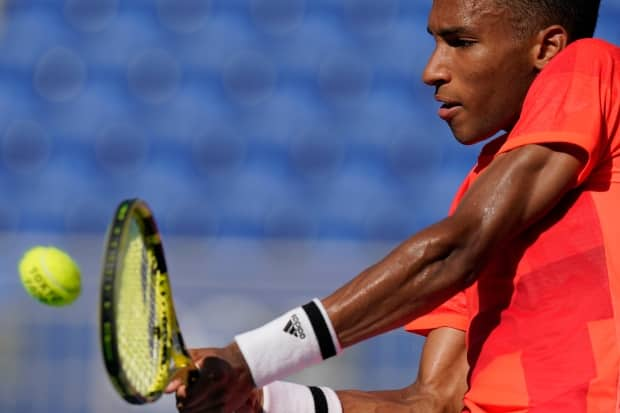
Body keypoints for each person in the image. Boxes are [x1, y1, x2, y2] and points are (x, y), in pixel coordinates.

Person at [167, 0, 620, 411]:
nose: (432, 70)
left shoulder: (588, 63)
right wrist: (260, 401)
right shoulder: (479, 198)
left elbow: (455, 250)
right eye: (435, 42)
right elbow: (431, 401)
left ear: (548, 48)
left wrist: (252, 357)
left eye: (461, 42)